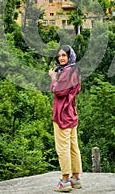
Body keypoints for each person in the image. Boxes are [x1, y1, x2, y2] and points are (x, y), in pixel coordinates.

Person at [49, 44, 82, 192]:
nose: (61, 58)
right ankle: (76, 178)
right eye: (59, 56)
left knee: (63, 148)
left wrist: (53, 78)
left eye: (64, 55)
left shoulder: (66, 72)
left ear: (70, 56)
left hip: (62, 115)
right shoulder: (75, 70)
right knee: (73, 147)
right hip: (71, 113)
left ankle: (65, 181)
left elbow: (58, 91)